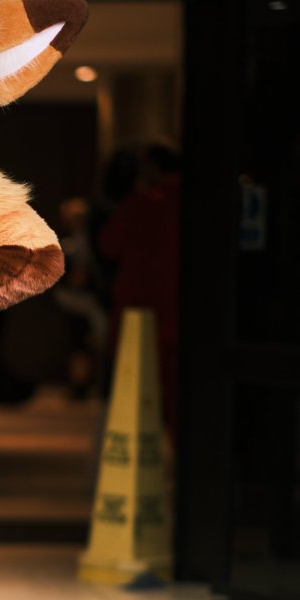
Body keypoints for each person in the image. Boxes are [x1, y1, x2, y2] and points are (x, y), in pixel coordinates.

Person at [98, 142, 180, 427]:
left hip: (139, 300)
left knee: (136, 380)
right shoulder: (194, 201)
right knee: (173, 386)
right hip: (177, 303)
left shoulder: (144, 202)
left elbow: (110, 244)